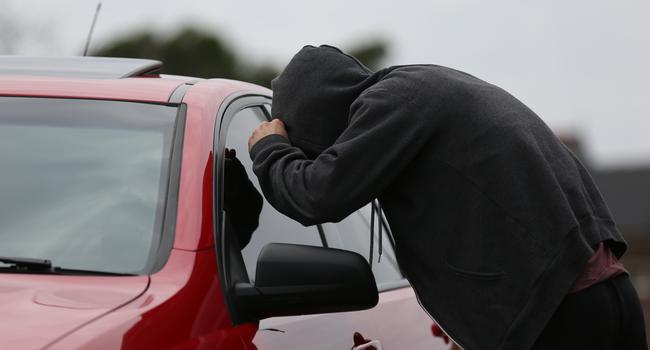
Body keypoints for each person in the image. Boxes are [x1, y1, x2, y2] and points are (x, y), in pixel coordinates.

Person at [246, 45, 647, 350]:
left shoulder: (391, 103)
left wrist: (271, 149)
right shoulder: (424, 87)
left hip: (560, 318)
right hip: (602, 297)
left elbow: (316, 195)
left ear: (316, 115)